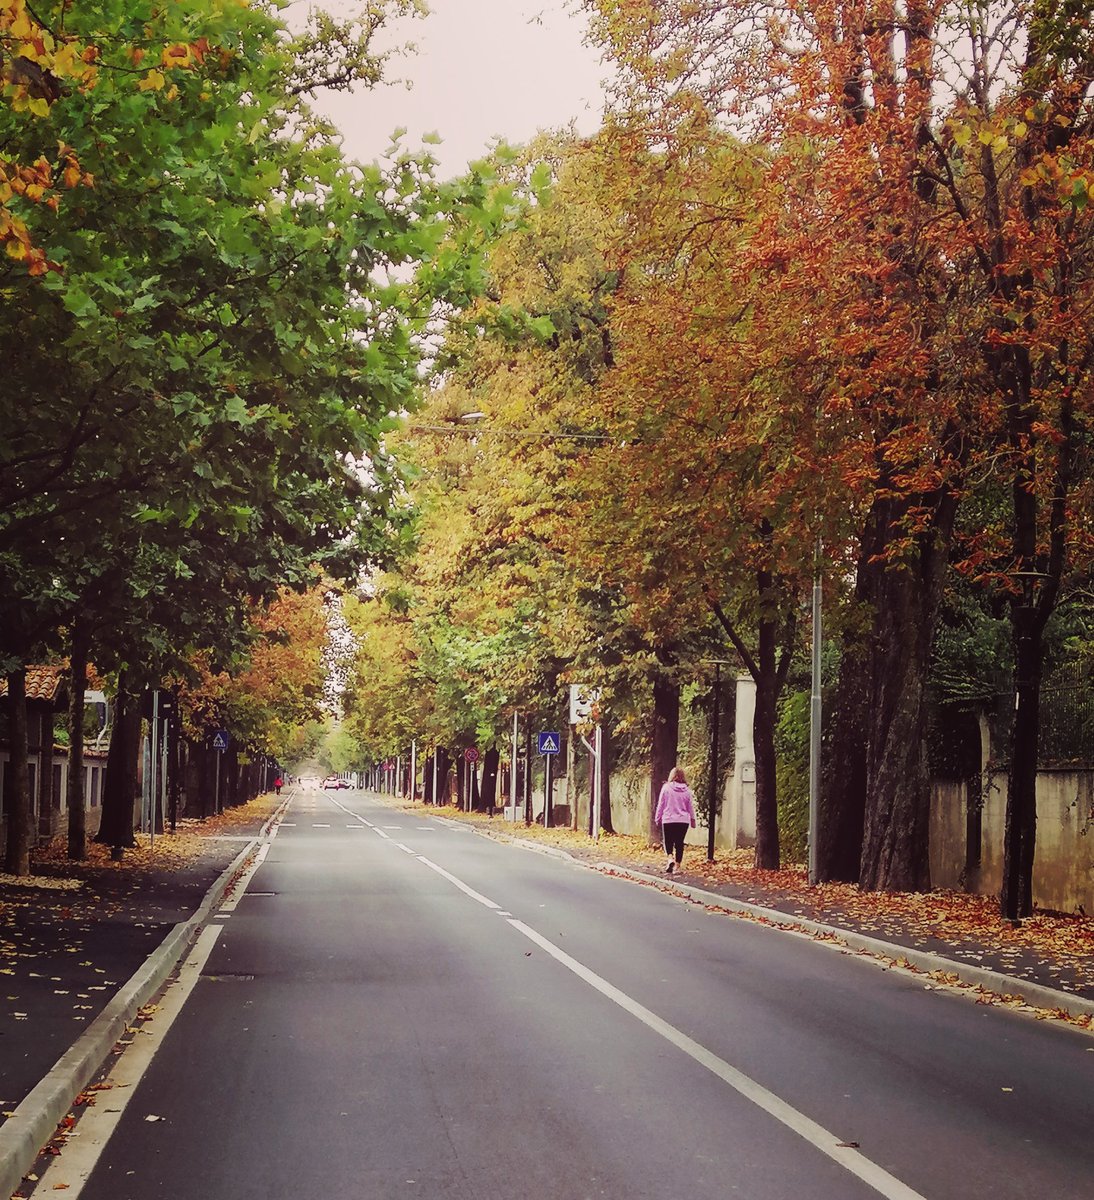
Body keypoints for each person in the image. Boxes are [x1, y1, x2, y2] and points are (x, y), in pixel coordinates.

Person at [654, 766, 696, 874]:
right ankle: (677, 866)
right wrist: (692, 819)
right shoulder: (687, 790)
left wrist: (657, 817)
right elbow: (690, 806)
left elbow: (661, 804)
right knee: (679, 843)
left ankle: (670, 858)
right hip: (683, 821)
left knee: (668, 841)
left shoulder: (666, 788)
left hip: (668, 819)